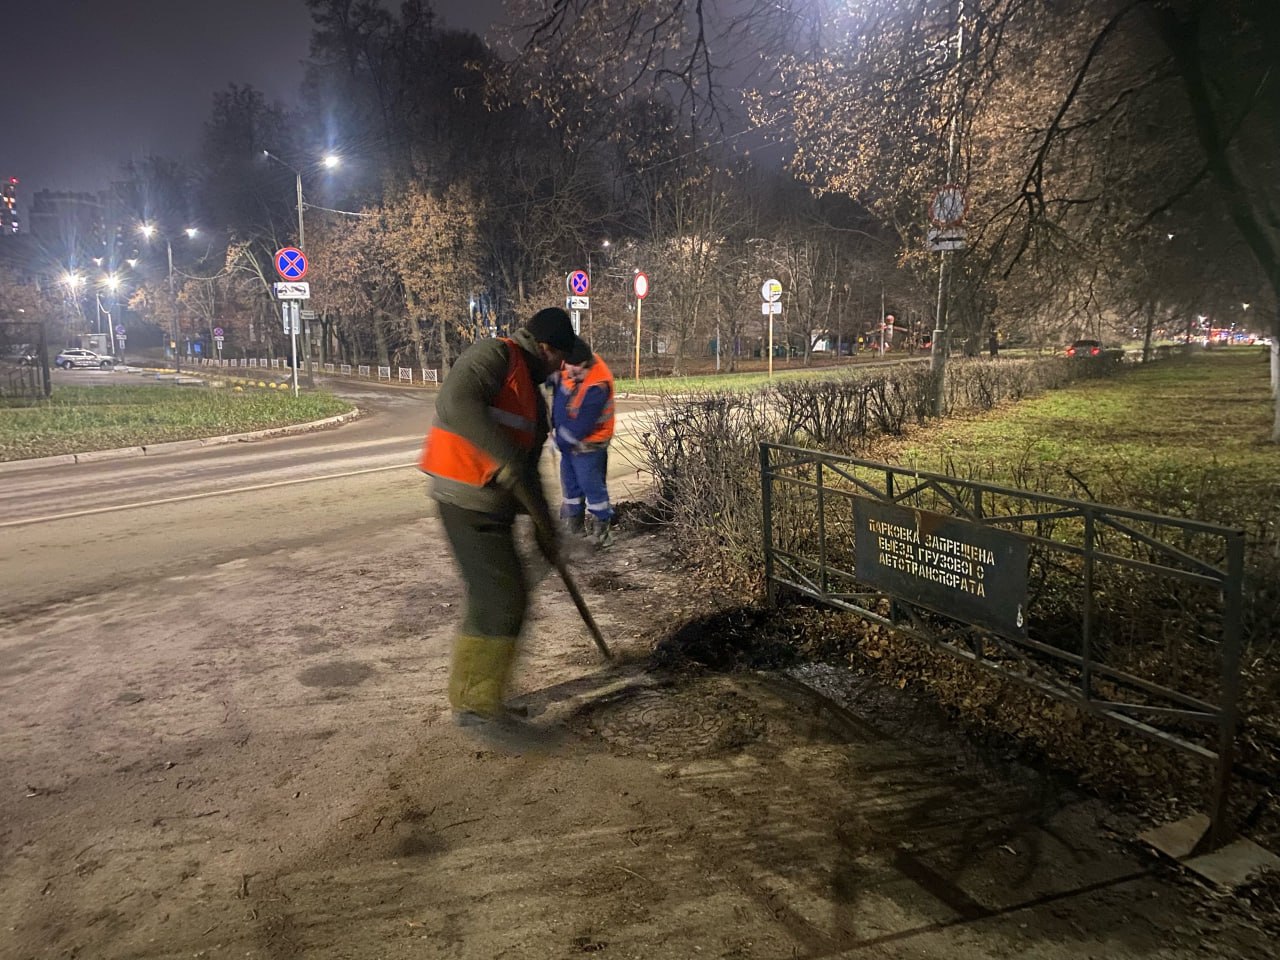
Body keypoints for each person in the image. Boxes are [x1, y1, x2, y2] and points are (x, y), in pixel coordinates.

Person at [419, 307, 588, 728]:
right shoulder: (494, 355)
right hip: (464, 498)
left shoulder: (532, 397)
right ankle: (476, 707)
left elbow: (529, 473)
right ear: (545, 348)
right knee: (500, 599)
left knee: (498, 598)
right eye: (560, 358)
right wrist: (504, 459)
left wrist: (545, 529)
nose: (561, 368)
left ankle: (478, 699)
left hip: (492, 506)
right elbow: (455, 403)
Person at [549, 340, 617, 547]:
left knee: (591, 486)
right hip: (570, 444)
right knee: (570, 486)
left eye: (577, 368)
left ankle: (602, 531)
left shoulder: (598, 384)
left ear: (585, 363)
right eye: (570, 366)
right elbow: (559, 394)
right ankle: (574, 527)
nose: (572, 372)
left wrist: (561, 439)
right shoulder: (566, 368)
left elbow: (582, 424)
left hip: (590, 445)